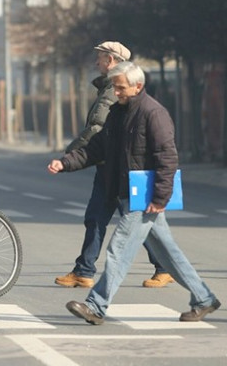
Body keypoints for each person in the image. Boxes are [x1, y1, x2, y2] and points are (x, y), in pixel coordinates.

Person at [48, 62, 219, 324]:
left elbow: (167, 158)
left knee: (119, 250)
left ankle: (96, 306)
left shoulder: (154, 113)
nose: (115, 92)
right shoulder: (117, 113)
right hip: (128, 194)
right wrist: (65, 163)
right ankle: (204, 299)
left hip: (144, 198)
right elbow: (97, 148)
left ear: (137, 86)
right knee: (169, 255)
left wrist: (160, 198)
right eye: (114, 87)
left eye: (120, 87)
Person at [55, 41, 173, 290]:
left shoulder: (115, 90)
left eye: (99, 58)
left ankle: (164, 268)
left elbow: (98, 130)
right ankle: (84, 270)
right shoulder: (110, 88)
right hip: (106, 165)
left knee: (137, 222)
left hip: (121, 168)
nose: (96, 63)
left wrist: (73, 153)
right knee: (96, 218)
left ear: (110, 60)